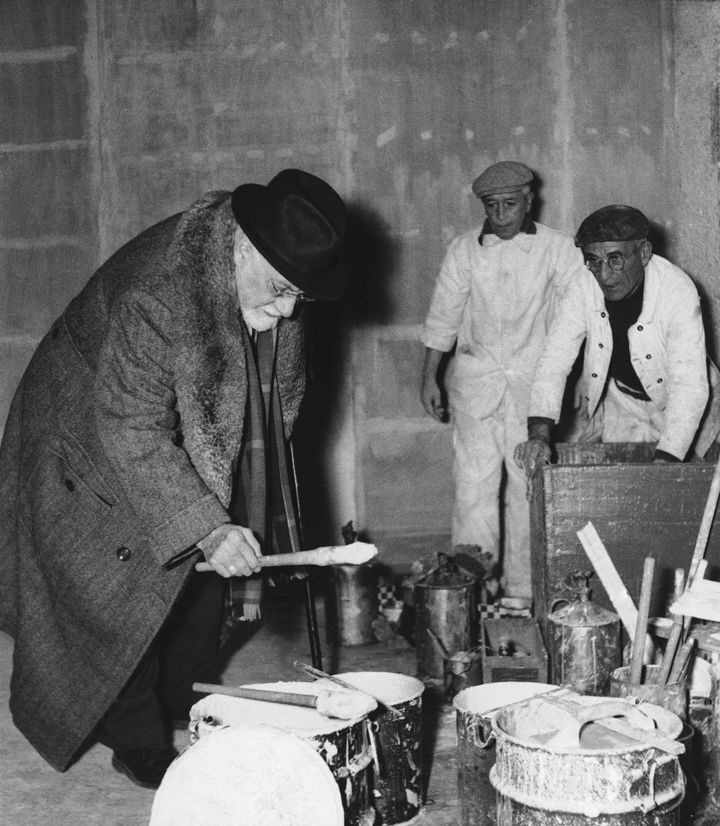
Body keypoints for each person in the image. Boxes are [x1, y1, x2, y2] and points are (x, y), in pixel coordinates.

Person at [0, 168, 347, 787]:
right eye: (279, 290)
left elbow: (264, 400)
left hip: (156, 412)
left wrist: (223, 518)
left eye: (301, 295)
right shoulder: (159, 296)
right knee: (119, 591)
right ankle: (133, 734)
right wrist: (207, 525)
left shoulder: (263, 272)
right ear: (242, 246)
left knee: (205, 580)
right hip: (85, 434)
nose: (289, 311)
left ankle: (183, 696)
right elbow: (131, 428)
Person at [420, 161, 585, 602]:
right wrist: (429, 378)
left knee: (527, 486)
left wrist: (585, 381)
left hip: (535, 391)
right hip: (475, 386)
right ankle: (474, 588)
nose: (500, 214)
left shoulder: (558, 248)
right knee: (473, 487)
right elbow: (443, 319)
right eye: (491, 206)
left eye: (509, 204)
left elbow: (580, 320)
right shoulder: (463, 251)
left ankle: (524, 591)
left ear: (529, 200)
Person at [514, 204, 720, 477]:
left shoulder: (678, 290)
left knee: (690, 497)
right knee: (626, 495)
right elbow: (555, 358)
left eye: (615, 259)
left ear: (644, 253)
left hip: (692, 405)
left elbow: (690, 387)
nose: (604, 275)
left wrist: (668, 459)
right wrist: (539, 434)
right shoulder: (581, 285)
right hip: (624, 403)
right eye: (593, 261)